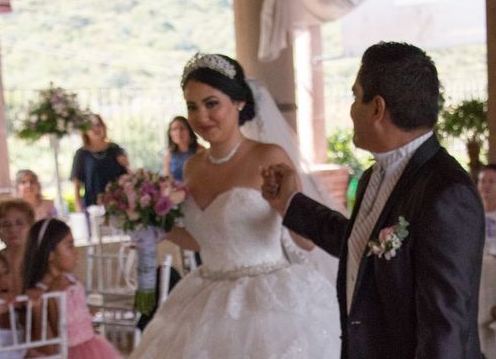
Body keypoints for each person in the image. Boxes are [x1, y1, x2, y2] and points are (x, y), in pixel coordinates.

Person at [262, 42, 484, 359]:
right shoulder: (372, 176)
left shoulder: (446, 192)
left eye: (355, 96)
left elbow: (445, 324)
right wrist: (291, 203)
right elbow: (360, 245)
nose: (351, 109)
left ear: (377, 108)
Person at [130, 53, 341, 358]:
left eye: (211, 103)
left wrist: (284, 206)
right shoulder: (192, 167)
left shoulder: (269, 156)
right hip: (206, 296)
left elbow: (306, 243)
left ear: (239, 102)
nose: (201, 116)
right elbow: (203, 238)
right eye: (192, 106)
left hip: (267, 299)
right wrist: (157, 229)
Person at [23, 218, 122, 358]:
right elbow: (51, 340)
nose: (76, 252)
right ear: (50, 254)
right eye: (69, 246)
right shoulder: (43, 292)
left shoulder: (71, 279)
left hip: (92, 345)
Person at [70, 114, 129, 214]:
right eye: (91, 126)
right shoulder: (81, 154)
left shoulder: (115, 149)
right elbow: (77, 185)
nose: (96, 129)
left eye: (98, 124)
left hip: (118, 205)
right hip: (94, 207)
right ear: (85, 131)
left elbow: (127, 176)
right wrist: (79, 210)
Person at [0, 200, 35, 296]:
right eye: (6, 225)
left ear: (31, 226)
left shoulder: (41, 259)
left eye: (19, 223)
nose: (12, 229)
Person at [162, 116, 201, 182]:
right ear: (170, 134)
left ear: (190, 131)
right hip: (176, 191)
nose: (178, 132)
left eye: (182, 128)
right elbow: (167, 180)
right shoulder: (168, 155)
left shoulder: (200, 151)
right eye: (174, 129)